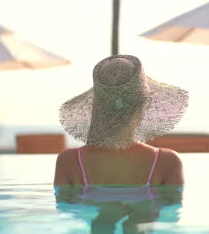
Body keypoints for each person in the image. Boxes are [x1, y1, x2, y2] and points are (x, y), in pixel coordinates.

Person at [54, 54, 188, 187]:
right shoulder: (166, 162)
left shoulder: (69, 161)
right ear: (143, 106)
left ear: (95, 106)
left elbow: (66, 206)